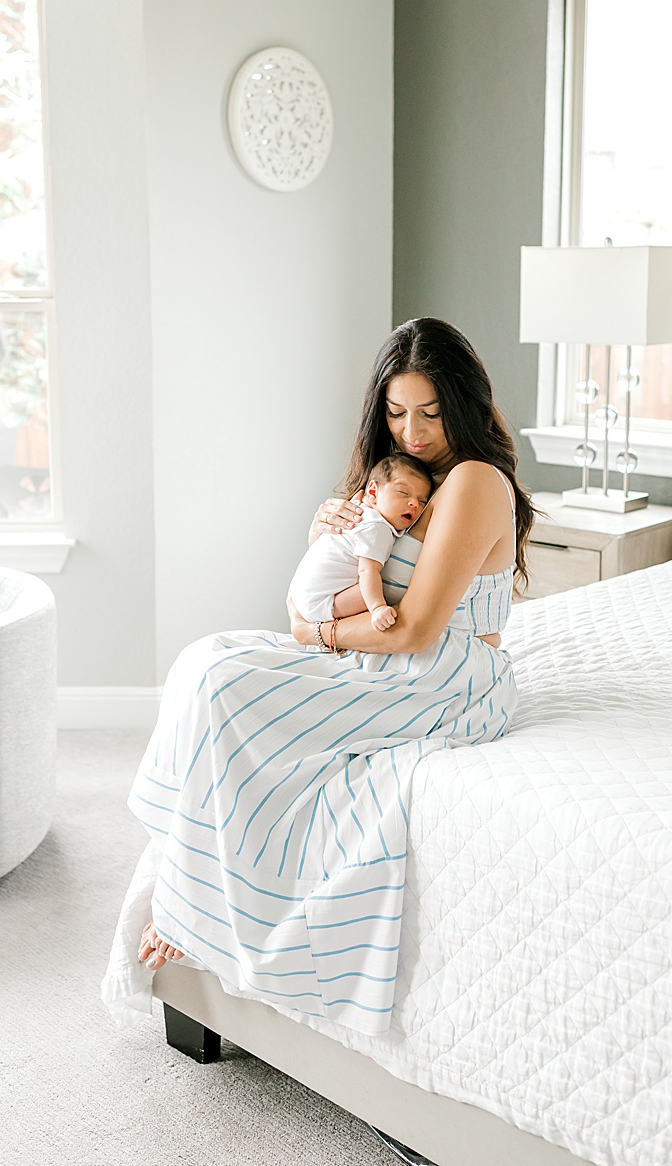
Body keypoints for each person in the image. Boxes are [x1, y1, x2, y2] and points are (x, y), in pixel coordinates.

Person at [102, 317, 533, 1037]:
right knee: (208, 661)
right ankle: (200, 889)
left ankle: (195, 908)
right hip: (380, 655)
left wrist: (315, 633)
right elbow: (324, 591)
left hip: (445, 676)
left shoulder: (474, 482)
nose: (413, 430)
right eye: (397, 413)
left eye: (429, 412)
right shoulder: (401, 479)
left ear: (463, 401)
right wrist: (326, 537)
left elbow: (420, 626)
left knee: (229, 690)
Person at [287, 452, 432, 633]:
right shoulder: (377, 527)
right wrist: (377, 607)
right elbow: (367, 570)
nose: (414, 504)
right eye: (403, 493)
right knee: (383, 588)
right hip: (320, 603)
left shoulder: (361, 512)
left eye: (422, 501)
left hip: (300, 593)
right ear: (373, 492)